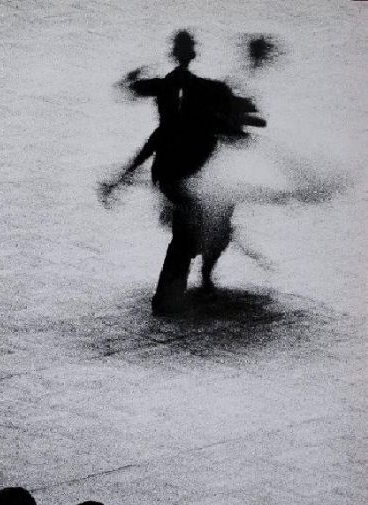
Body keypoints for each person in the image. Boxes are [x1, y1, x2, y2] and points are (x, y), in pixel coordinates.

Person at [101, 30, 266, 313]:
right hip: (182, 173)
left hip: (174, 173)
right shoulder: (201, 91)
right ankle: (176, 292)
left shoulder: (176, 90)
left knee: (198, 223)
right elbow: (235, 115)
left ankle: (179, 289)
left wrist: (121, 179)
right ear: (192, 54)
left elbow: (154, 130)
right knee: (197, 225)